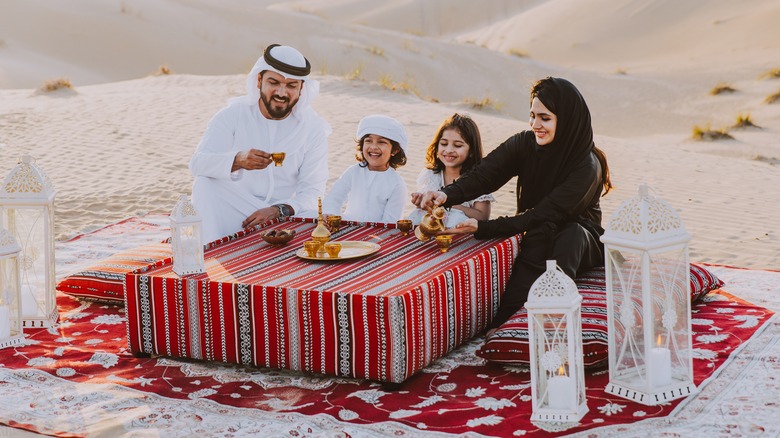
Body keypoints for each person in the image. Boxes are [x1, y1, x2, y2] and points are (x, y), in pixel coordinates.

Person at [416, 77, 612, 328]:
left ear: (567, 119)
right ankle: (507, 324)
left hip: (579, 241)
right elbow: (485, 174)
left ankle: (552, 318)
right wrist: (447, 194)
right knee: (535, 243)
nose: (535, 124)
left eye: (545, 118)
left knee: (568, 234)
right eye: (532, 115)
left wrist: (483, 228)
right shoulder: (525, 143)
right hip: (537, 231)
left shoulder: (587, 166)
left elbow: (547, 213)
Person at [189, 44, 331, 243]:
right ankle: (208, 251)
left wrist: (279, 210)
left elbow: (313, 190)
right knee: (204, 183)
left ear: (301, 89)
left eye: (291, 86)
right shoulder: (233, 115)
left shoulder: (312, 127)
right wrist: (237, 160)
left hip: (284, 215)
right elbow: (197, 164)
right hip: (237, 208)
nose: (282, 93)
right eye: (274, 82)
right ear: (259, 81)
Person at [407, 113, 493, 228]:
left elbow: (483, 217)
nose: (449, 150)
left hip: (461, 233)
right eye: (444, 144)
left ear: (471, 151)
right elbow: (427, 211)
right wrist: (421, 202)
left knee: (455, 218)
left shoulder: (478, 179)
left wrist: (451, 204)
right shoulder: (431, 174)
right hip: (432, 230)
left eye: (457, 145)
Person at [322, 114, 408, 222]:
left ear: (395, 150)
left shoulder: (397, 183)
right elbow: (334, 198)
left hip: (377, 233)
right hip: (348, 226)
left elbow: (391, 221)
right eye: (368, 141)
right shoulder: (353, 172)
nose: (373, 147)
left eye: (381, 142)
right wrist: (330, 214)